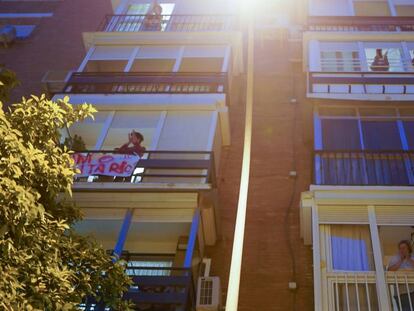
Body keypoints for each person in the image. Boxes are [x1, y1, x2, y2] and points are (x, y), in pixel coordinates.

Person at [388, 240, 414, 311]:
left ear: (408, 248)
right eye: (400, 248)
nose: (402, 250)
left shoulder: (413, 257)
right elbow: (389, 270)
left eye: (404, 248)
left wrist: (408, 259)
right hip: (401, 292)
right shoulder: (395, 258)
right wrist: (401, 260)